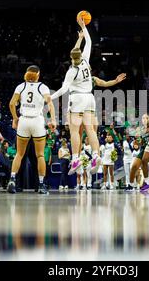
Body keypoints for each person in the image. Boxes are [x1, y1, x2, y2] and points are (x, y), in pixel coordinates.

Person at [51, 17, 101, 176]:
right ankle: (95, 155)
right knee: (90, 130)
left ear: (71, 59)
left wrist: (49, 98)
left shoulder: (72, 71)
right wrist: (83, 28)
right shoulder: (85, 61)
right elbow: (90, 42)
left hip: (77, 99)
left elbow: (63, 89)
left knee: (74, 131)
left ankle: (75, 158)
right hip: (90, 98)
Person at [8, 65, 56, 194]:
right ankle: (41, 184)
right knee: (40, 155)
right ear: (38, 75)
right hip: (37, 121)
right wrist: (52, 119)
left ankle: (12, 180)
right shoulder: (43, 87)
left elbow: (12, 104)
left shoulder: (21, 86)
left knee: (19, 154)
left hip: (23, 120)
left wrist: (15, 118)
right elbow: (50, 103)